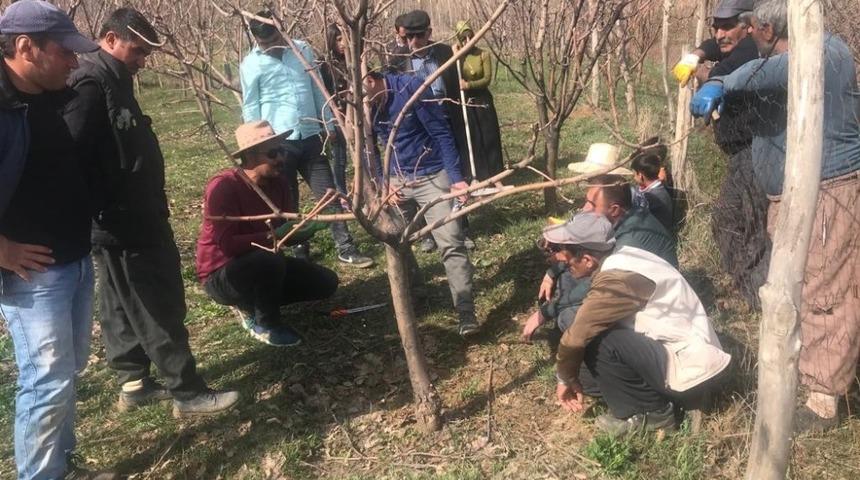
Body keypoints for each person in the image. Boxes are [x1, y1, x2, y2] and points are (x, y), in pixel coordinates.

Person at [691, 0, 860, 432]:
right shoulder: (781, 54)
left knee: (825, 290)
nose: (746, 33)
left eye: (751, 26)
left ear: (764, 27)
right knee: (799, 285)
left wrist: (721, 83)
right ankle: (811, 369)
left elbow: (769, 73)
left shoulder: (825, 51)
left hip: (828, 191)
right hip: (790, 195)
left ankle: (824, 397)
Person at [64, 8, 239, 419]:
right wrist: (106, 206)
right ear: (109, 39)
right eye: (137, 51)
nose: (143, 61)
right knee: (156, 302)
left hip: (123, 219)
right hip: (125, 222)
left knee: (121, 302)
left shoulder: (113, 78)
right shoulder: (91, 83)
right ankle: (187, 391)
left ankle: (134, 383)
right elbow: (71, 156)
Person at [0, 2, 116, 478]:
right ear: (26, 48)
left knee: (66, 374)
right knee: (47, 381)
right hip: (35, 275)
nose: (74, 61)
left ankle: (61, 466)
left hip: (74, 258)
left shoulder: (46, 95)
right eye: (64, 51)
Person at [548, 213, 730, 436]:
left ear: (587, 259)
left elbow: (577, 334)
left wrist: (564, 378)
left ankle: (653, 413)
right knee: (584, 370)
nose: (560, 260)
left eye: (565, 257)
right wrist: (571, 374)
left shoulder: (619, 278)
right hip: (670, 350)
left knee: (598, 341)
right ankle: (642, 398)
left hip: (689, 365)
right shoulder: (621, 258)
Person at [240, 11, 372, 267]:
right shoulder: (251, 65)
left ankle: (345, 247)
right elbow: (251, 106)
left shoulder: (301, 50)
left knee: (329, 194)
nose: (267, 46)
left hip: (311, 135)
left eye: (272, 39)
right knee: (289, 201)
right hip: (278, 143)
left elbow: (316, 86)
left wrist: (329, 122)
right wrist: (256, 147)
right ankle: (300, 250)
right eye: (262, 42)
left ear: (280, 30)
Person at [197, 121, 339, 347]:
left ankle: (254, 301)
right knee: (269, 259)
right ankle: (265, 324)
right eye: (273, 153)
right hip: (222, 275)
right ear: (250, 156)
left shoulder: (279, 182)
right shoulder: (223, 187)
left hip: (265, 264)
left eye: (283, 150)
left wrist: (305, 229)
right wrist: (271, 234)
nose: (281, 159)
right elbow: (228, 246)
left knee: (326, 282)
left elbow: (284, 231)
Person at [364, 71, 479, 336]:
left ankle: (465, 312)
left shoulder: (411, 88)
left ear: (370, 80)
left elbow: (441, 132)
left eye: (361, 95)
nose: (359, 104)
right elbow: (367, 149)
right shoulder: (362, 108)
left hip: (432, 174)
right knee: (396, 242)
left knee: (451, 242)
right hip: (396, 181)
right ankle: (414, 296)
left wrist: (456, 179)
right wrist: (382, 183)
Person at [675, 0, 769, 309]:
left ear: (749, 26)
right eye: (715, 26)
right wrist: (697, 54)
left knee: (733, 222)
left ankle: (756, 296)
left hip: (754, 151)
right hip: (742, 153)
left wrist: (708, 79)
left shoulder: (747, 55)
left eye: (727, 26)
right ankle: (756, 290)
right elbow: (715, 47)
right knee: (748, 223)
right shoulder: (736, 46)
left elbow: (725, 68)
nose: (718, 33)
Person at [523, 175, 678, 342]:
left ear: (614, 209)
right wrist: (552, 273)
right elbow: (579, 246)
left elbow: (596, 281)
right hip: (623, 283)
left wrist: (547, 312)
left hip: (650, 305)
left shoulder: (627, 244)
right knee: (568, 275)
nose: (585, 208)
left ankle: (601, 354)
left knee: (568, 318)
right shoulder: (619, 219)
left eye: (592, 204)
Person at [398, 9, 474, 253]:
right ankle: (427, 231)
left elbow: (456, 87)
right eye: (407, 37)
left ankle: (461, 227)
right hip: (418, 128)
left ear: (429, 33)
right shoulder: (398, 60)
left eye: (418, 36)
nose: (413, 43)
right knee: (422, 177)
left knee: (456, 173)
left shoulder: (445, 53)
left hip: (447, 118)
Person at [452, 20, 507, 191]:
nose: (468, 40)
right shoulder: (456, 57)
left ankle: (496, 174)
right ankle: (479, 175)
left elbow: (487, 79)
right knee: (473, 138)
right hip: (465, 101)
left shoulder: (484, 54)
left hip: (482, 100)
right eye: (464, 38)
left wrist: (469, 85)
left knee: (489, 136)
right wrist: (455, 55)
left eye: (470, 36)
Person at [321, 23, 350, 209]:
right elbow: (325, 93)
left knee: (368, 153)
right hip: (338, 116)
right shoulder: (326, 66)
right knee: (340, 158)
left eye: (344, 38)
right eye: (338, 40)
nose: (342, 44)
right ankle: (343, 194)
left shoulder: (354, 61)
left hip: (358, 116)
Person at [630, 144, 674, 232]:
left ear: (640, 175)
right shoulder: (657, 188)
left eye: (634, 174)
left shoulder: (652, 197)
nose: (633, 177)